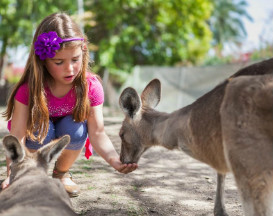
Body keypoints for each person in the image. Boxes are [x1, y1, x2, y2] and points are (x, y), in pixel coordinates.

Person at [1, 12, 138, 197]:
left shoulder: (91, 87)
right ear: (43, 61)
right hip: (37, 133)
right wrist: (11, 174)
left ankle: (61, 174)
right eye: (59, 62)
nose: (70, 68)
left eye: (75, 59)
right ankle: (29, 174)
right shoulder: (29, 89)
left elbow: (97, 133)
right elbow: (17, 136)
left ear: (83, 52)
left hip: (68, 131)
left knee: (76, 128)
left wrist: (115, 160)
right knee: (43, 127)